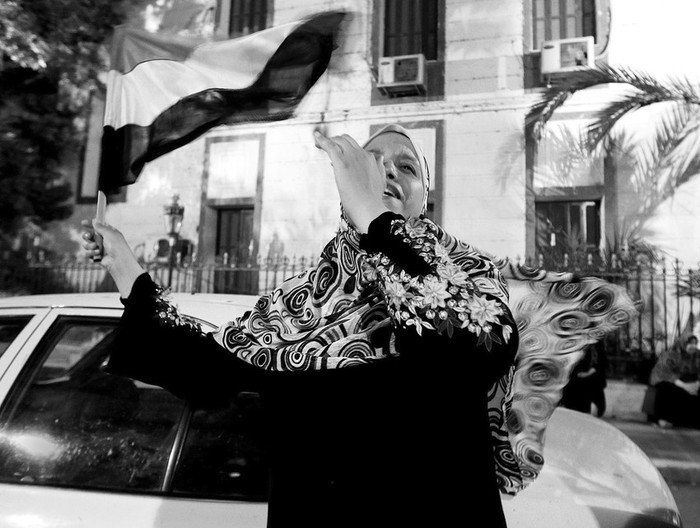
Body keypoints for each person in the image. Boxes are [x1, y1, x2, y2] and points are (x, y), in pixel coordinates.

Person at [82, 124, 520, 528]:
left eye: (406, 167)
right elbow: (203, 370)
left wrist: (374, 218)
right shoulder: (297, 305)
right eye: (370, 165)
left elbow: (478, 346)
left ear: (425, 196)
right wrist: (126, 270)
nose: (386, 172)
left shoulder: (468, 275)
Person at [649, 334, 700, 428]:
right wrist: (685, 386)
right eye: (690, 343)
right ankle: (663, 419)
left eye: (695, 343)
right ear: (683, 343)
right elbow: (664, 374)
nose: (693, 346)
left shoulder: (696, 355)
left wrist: (696, 384)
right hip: (667, 382)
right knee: (667, 390)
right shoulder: (671, 354)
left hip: (688, 385)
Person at [560, 339, 608, 417]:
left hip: (590, 383)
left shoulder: (595, 341)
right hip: (573, 383)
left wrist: (588, 373)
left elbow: (601, 362)